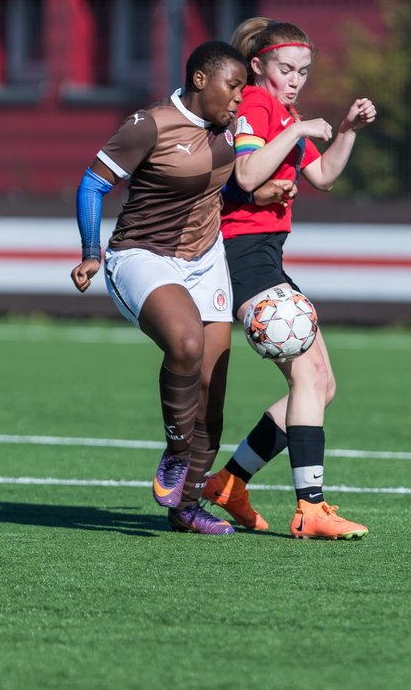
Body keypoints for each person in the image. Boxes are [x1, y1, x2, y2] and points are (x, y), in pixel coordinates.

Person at [70, 40, 292, 535]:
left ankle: (186, 508)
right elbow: (93, 184)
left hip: (205, 259)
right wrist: (90, 251)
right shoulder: (150, 124)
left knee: (212, 394)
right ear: (199, 80)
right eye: (232, 86)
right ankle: (175, 452)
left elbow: (223, 184)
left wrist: (261, 191)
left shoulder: (230, 128)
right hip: (142, 257)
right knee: (186, 344)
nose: (239, 98)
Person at [203, 17, 377, 540]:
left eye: (303, 71)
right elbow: (248, 175)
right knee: (308, 379)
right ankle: (311, 507)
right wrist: (297, 130)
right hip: (243, 257)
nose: (296, 79)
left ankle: (230, 484)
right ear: (258, 66)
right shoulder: (257, 102)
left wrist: (345, 132)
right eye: (286, 69)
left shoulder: (283, 112)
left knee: (322, 384)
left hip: (267, 258)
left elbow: (321, 176)